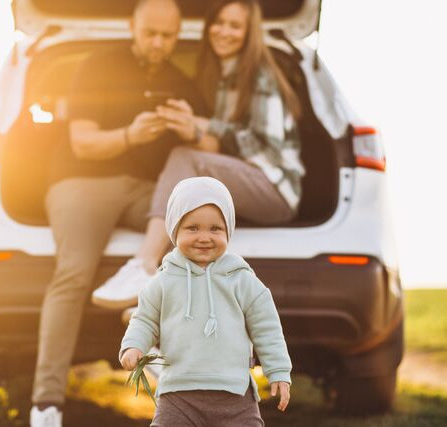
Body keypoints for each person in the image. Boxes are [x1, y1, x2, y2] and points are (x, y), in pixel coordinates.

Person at [30, 0, 206, 425]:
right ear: (133, 26)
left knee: (187, 250)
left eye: (168, 36)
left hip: (145, 192)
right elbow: (82, 144)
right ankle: (46, 403)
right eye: (151, 33)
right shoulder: (97, 65)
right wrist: (130, 134)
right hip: (80, 183)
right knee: (73, 272)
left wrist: (192, 129)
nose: (160, 43)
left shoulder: (182, 83)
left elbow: (203, 155)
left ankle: (175, 370)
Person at [92, 0, 305, 310]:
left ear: (249, 34)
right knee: (190, 178)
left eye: (235, 25)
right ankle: (157, 302)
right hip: (244, 184)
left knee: (185, 157)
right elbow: (213, 143)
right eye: (218, 23)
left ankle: (144, 264)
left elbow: (265, 147)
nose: (224, 32)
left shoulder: (259, 75)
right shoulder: (217, 75)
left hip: (274, 188)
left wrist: (203, 126)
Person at [120, 176, 291, 426]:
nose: (204, 237)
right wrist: (134, 345)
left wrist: (278, 371)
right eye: (193, 228)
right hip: (178, 396)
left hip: (235, 397)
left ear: (228, 231)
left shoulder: (242, 279)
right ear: (174, 229)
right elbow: (145, 319)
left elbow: (267, 329)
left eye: (215, 229)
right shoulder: (163, 280)